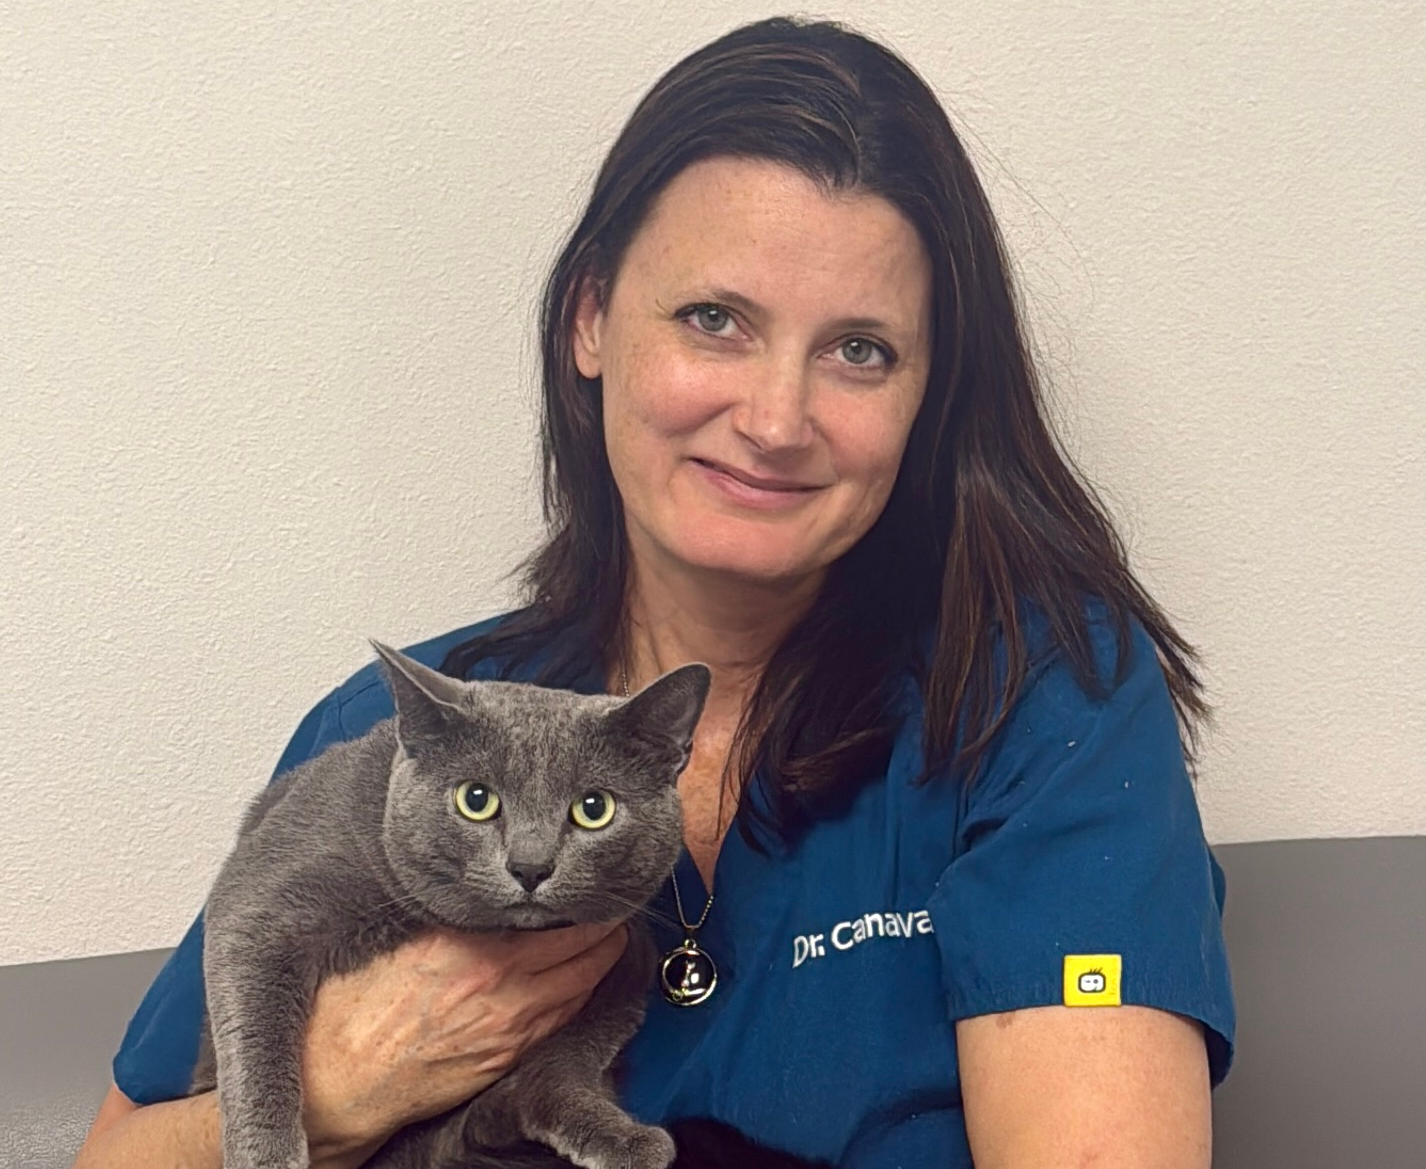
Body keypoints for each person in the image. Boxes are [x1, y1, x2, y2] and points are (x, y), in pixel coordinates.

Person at [74, 16, 1234, 1169]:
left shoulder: (1031, 700)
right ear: (589, 319)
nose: (777, 420)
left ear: (928, 394)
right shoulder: (393, 729)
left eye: (860, 350)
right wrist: (334, 1091)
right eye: (714, 319)